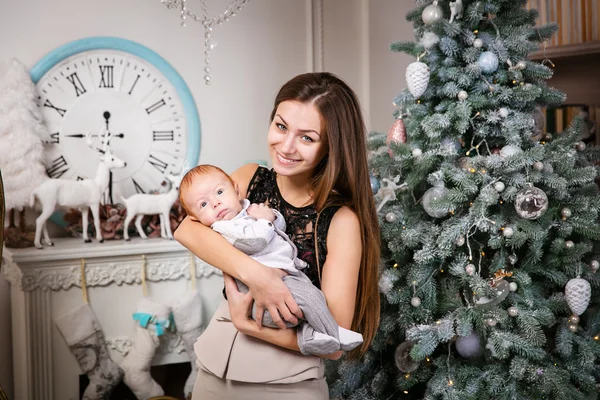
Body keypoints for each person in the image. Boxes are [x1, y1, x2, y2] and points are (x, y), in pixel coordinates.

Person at [174, 72, 381, 399]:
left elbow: (334, 343)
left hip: (287, 385)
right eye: (281, 126)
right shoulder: (248, 178)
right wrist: (257, 276)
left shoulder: (341, 220)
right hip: (213, 371)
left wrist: (250, 326)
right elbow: (187, 228)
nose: (285, 147)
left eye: (307, 138)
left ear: (330, 146)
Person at [178, 164, 365, 356]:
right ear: (196, 217)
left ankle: (316, 335)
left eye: (219, 192)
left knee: (312, 298)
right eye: (203, 205)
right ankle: (332, 335)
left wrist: (271, 218)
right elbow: (254, 243)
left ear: (235, 189)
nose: (215, 203)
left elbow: (278, 230)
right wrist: (265, 223)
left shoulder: (245, 209)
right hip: (258, 308)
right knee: (309, 297)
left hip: (283, 301)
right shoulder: (224, 227)